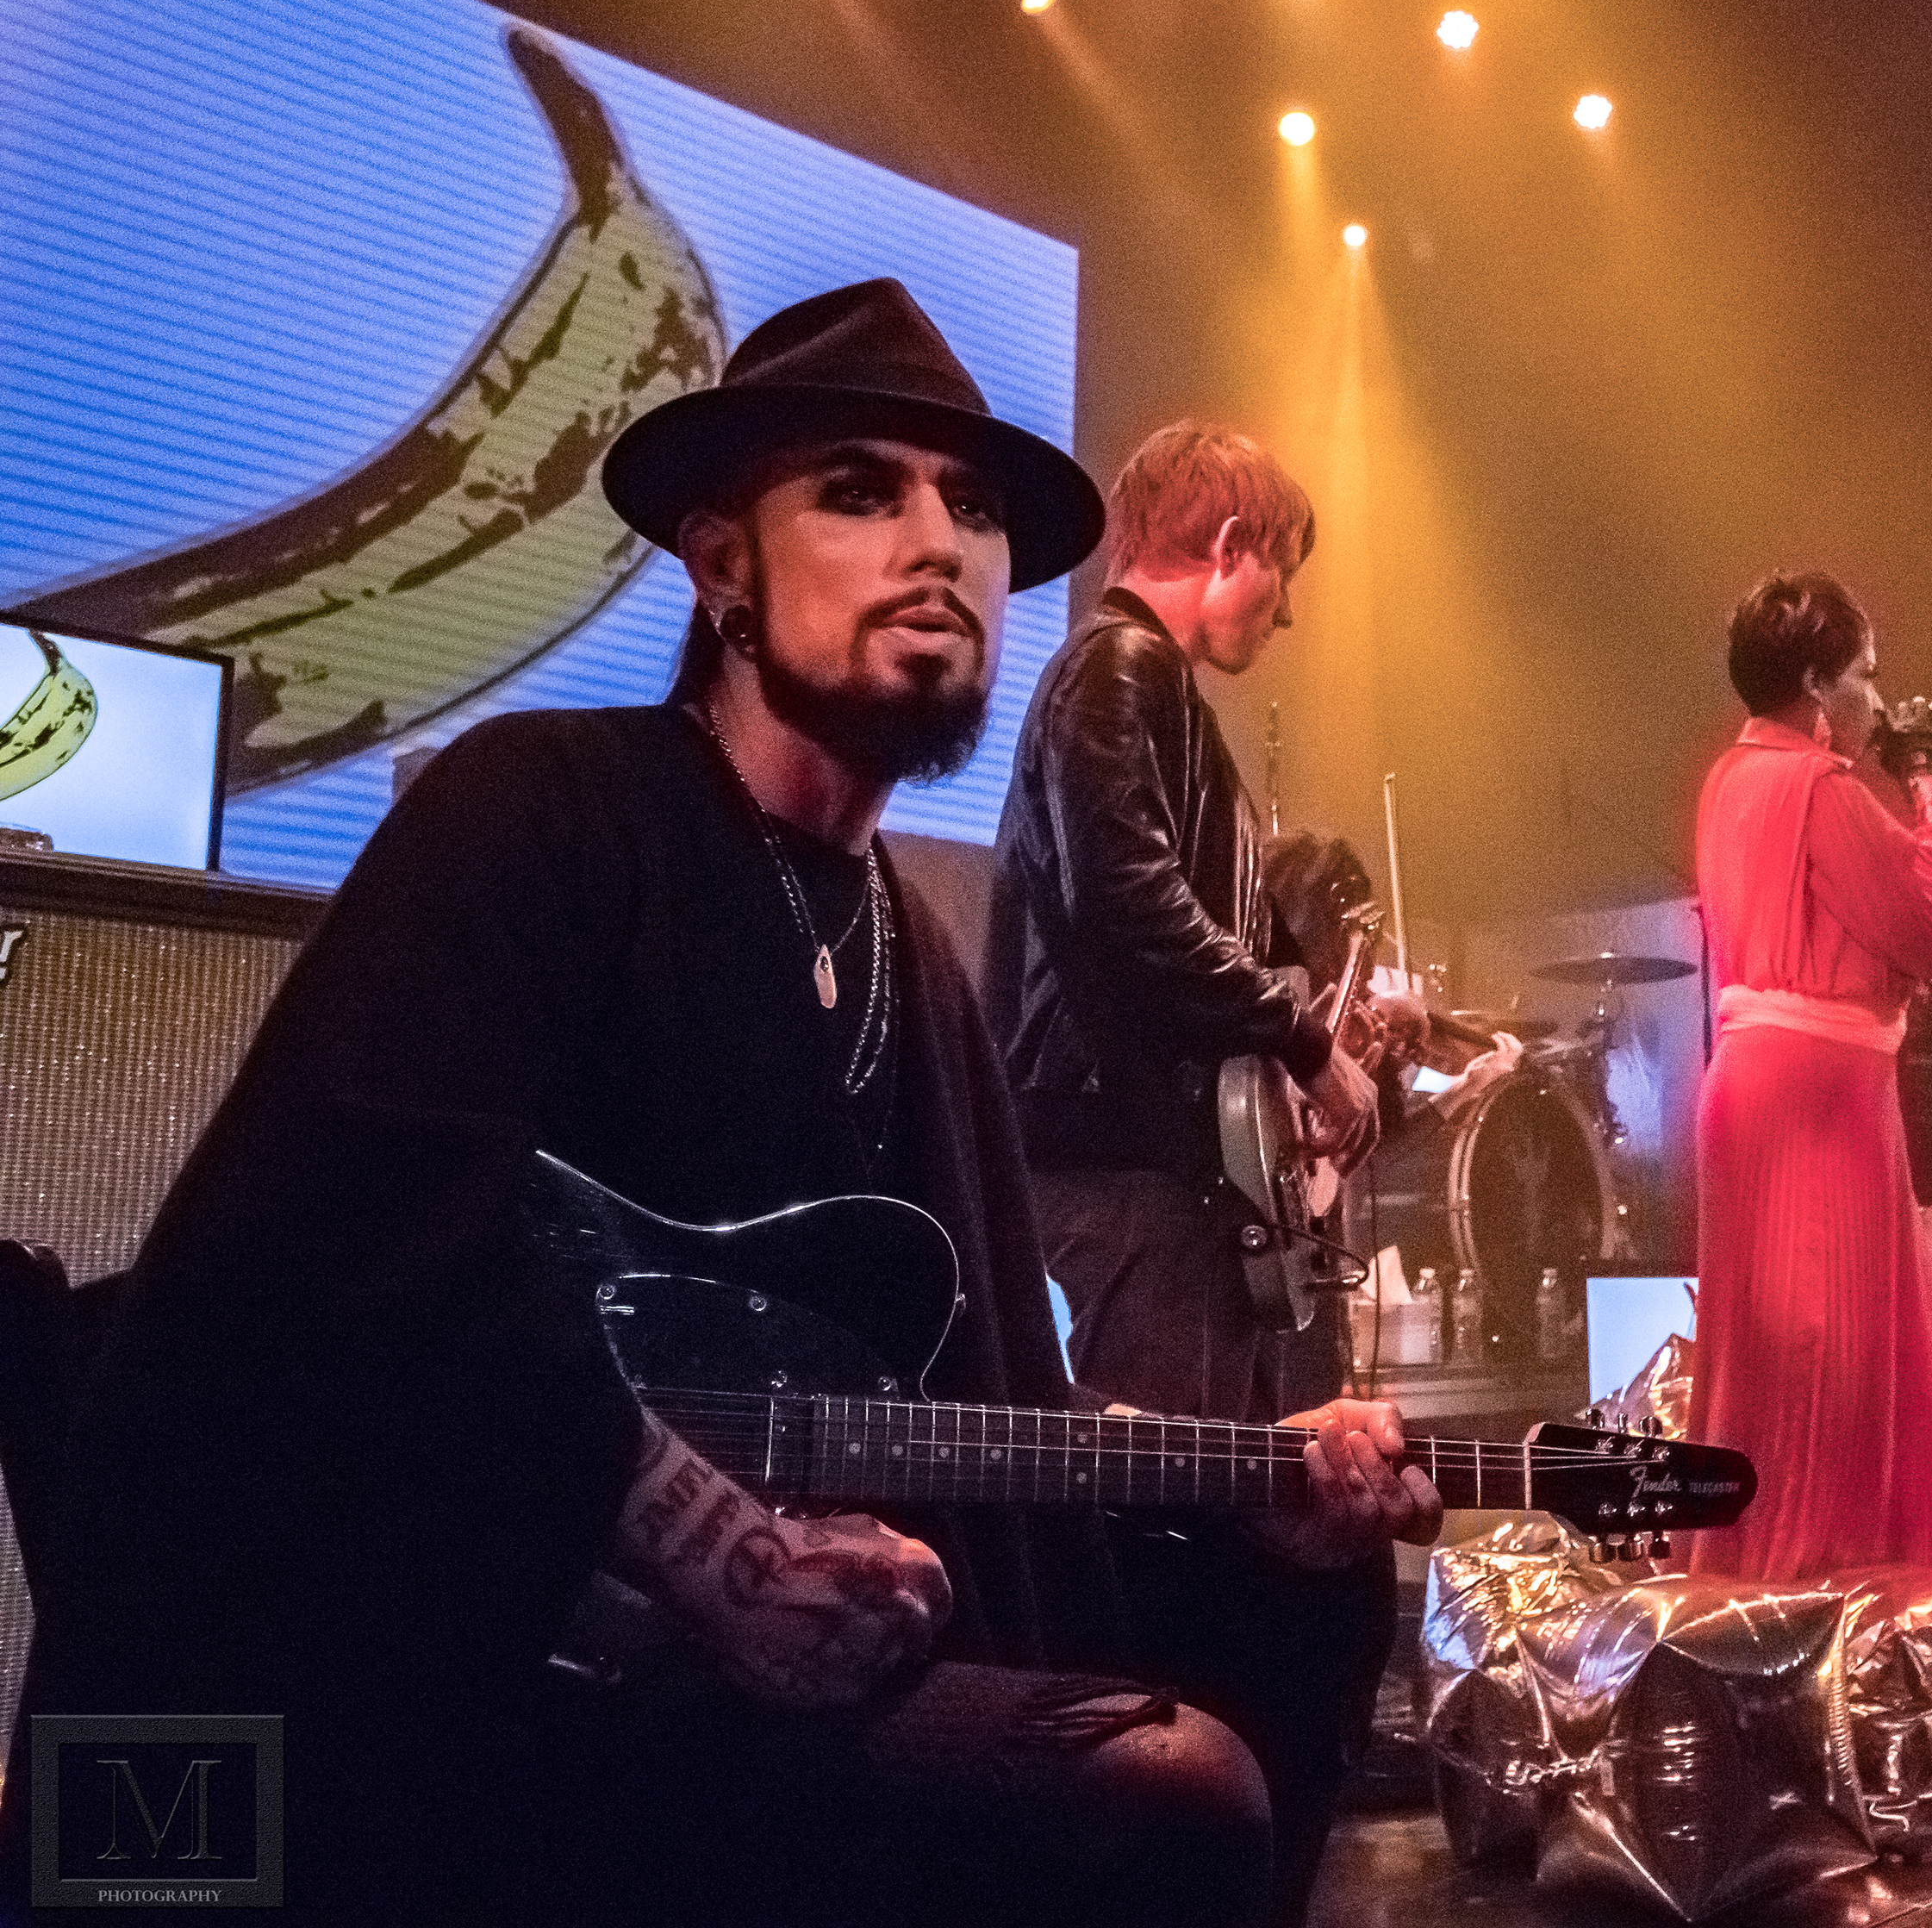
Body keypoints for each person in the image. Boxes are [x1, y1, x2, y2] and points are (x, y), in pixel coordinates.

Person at [4, 282, 1435, 1925]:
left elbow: (979, 1398)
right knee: (1155, 1802)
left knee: (1297, 1635)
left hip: (730, 1680)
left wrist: (1263, 1492)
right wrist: (720, 1554)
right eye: (858, 488)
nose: (939, 544)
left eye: (971, 509)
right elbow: (368, 1229)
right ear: (722, 564)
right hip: (465, 1656)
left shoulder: (910, 951)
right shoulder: (545, 811)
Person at [986, 420, 1399, 1918]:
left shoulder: (1142, 691)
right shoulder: (1123, 670)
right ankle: (1158, 1853)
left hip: (1149, 1169)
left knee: (1209, 1511)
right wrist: (1303, 1035)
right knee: (1174, 1524)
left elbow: (1178, 919)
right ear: (1225, 547)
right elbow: (1130, 910)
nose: (1279, 618)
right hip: (1121, 1171)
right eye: (1275, 578)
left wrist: (1326, 1028)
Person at [1683, 570, 1932, 1589]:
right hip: (1819, 1105)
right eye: (1867, 676)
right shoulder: (1818, 790)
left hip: (1762, 1090)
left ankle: (1760, 1591)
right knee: (1836, 1369)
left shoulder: (1728, 781)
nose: (1877, 698)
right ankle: (1825, 1604)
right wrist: (1925, 783)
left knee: (1780, 1366)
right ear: (1820, 688)